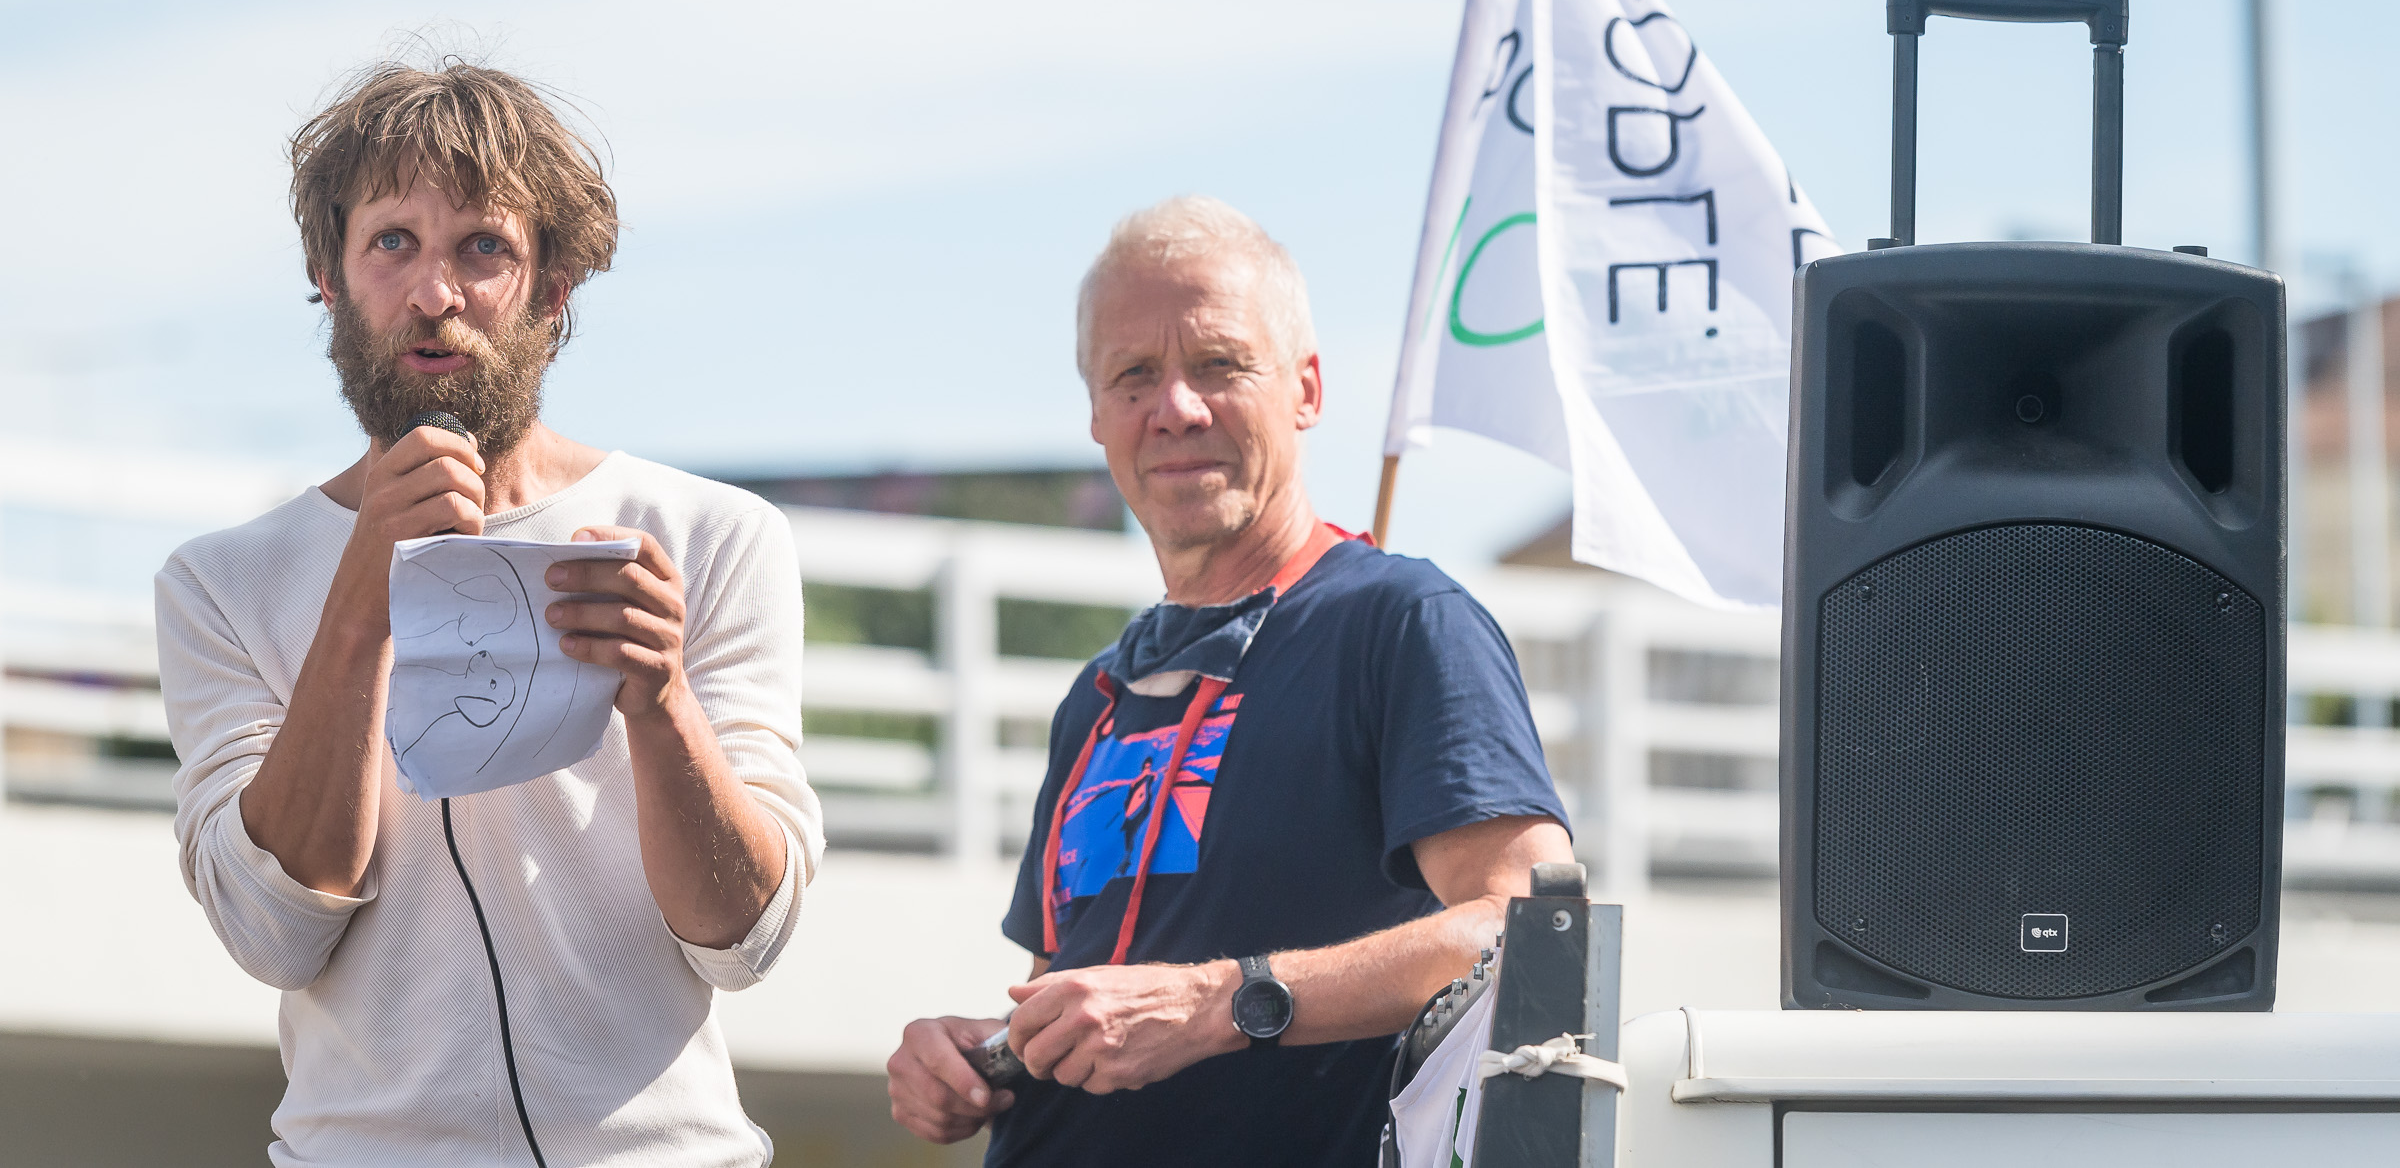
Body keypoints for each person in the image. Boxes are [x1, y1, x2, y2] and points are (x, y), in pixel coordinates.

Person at [156, 59, 823, 1167]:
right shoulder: (221, 582)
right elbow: (273, 933)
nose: (435, 293)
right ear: (328, 277)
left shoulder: (711, 535)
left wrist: (661, 701)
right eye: (392, 242)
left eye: (483, 247)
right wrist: (360, 600)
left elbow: (746, 942)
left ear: (553, 286)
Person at [886, 196, 1573, 1165]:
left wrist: (1217, 1002)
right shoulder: (1097, 696)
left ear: (1306, 388)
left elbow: (1534, 930)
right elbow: (1081, 1000)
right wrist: (982, 1057)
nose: (1176, 407)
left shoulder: (1403, 622)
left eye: (1219, 363)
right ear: (1097, 415)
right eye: (1134, 374)